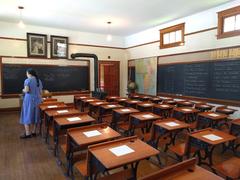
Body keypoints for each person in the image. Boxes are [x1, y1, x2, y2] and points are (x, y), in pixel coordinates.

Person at [19, 68, 43, 139]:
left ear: (29, 73)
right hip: (38, 100)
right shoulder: (39, 80)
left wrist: (23, 90)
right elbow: (41, 92)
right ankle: (34, 132)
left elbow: (27, 90)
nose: (26, 75)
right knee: (36, 116)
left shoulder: (27, 80)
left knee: (26, 115)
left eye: (26, 73)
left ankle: (27, 133)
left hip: (29, 100)